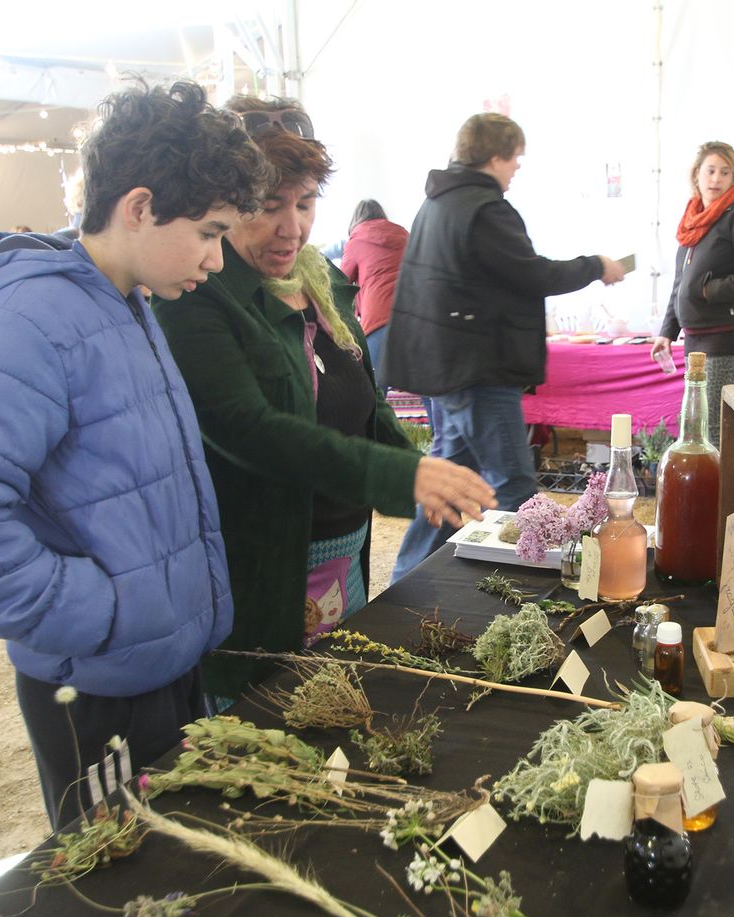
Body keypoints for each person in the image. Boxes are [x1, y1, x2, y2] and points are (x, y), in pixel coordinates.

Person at [0, 80, 266, 830]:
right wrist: (98, 612)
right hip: (99, 684)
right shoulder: (30, 319)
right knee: (122, 890)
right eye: (209, 232)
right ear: (138, 207)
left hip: (157, 665)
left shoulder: (121, 297)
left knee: (182, 868)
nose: (218, 260)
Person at [154, 99, 496, 703]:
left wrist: (427, 472)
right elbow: (253, 430)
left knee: (337, 710)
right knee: (269, 722)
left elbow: (363, 401)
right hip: (262, 570)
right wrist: (402, 471)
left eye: (306, 203)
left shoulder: (322, 282)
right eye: (268, 206)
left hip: (343, 562)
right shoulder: (198, 298)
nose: (292, 227)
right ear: (228, 204)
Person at [380, 112, 625, 582]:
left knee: (449, 488)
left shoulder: (437, 204)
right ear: (495, 156)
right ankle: (512, 590)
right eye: (515, 159)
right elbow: (532, 273)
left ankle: (404, 582)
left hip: (450, 370)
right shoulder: (484, 209)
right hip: (481, 370)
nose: (516, 169)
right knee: (513, 484)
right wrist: (595, 264)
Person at [650, 141, 734, 445]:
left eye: (725, 172)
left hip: (725, 335)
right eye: (711, 171)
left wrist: (709, 289)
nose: (716, 179)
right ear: (697, 175)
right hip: (695, 335)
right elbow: (681, 282)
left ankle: (718, 492)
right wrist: (667, 331)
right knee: (697, 422)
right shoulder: (694, 218)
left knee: (709, 426)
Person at [339, 198, 408, 382]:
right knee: (425, 389)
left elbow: (340, 281)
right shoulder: (403, 235)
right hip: (411, 318)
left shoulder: (356, 241)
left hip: (378, 321)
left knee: (375, 391)